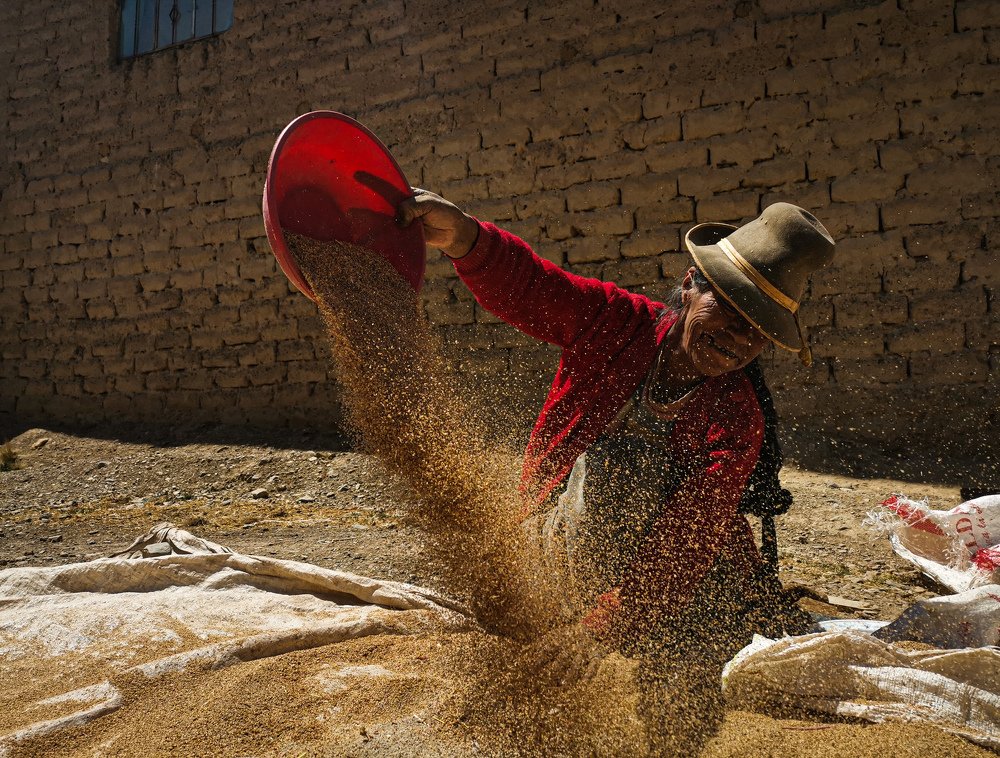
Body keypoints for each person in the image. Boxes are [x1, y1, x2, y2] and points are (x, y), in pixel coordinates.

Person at [396, 189, 836, 671]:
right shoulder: (613, 322)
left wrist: (602, 629)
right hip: (565, 543)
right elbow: (534, 288)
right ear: (691, 285)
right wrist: (464, 238)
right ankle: (568, 610)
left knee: (708, 609)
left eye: (758, 331)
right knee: (624, 464)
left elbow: (690, 533)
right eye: (729, 311)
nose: (737, 338)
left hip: (662, 576)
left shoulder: (736, 416)